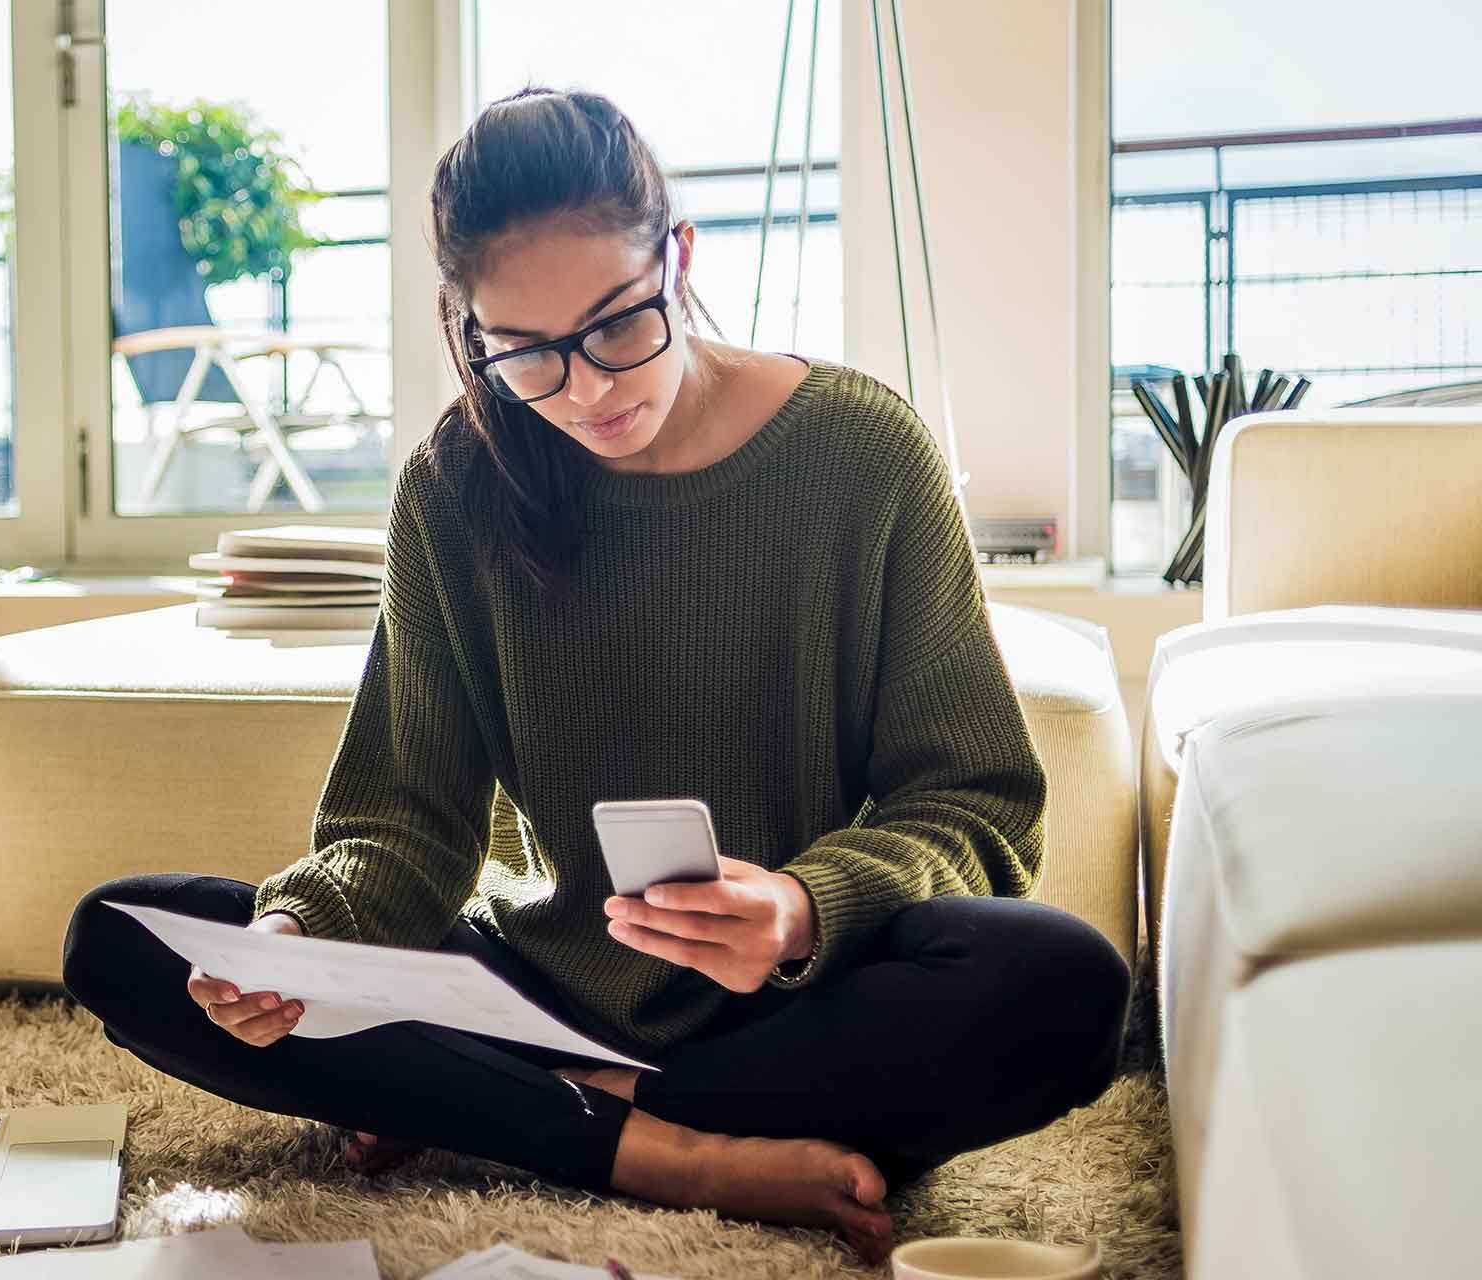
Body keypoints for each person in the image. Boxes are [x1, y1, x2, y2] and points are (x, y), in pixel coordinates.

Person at [60, 87, 1127, 1265]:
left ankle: (521, 1109)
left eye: (619, 324)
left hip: (787, 1006)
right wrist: (305, 928)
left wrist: (802, 907)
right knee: (123, 936)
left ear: (675, 256)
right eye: (523, 352)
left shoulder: (866, 455)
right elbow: (404, 821)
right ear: (471, 329)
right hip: (529, 987)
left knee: (1062, 983)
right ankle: (671, 1150)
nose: (587, 388)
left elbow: (975, 803)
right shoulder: (454, 487)